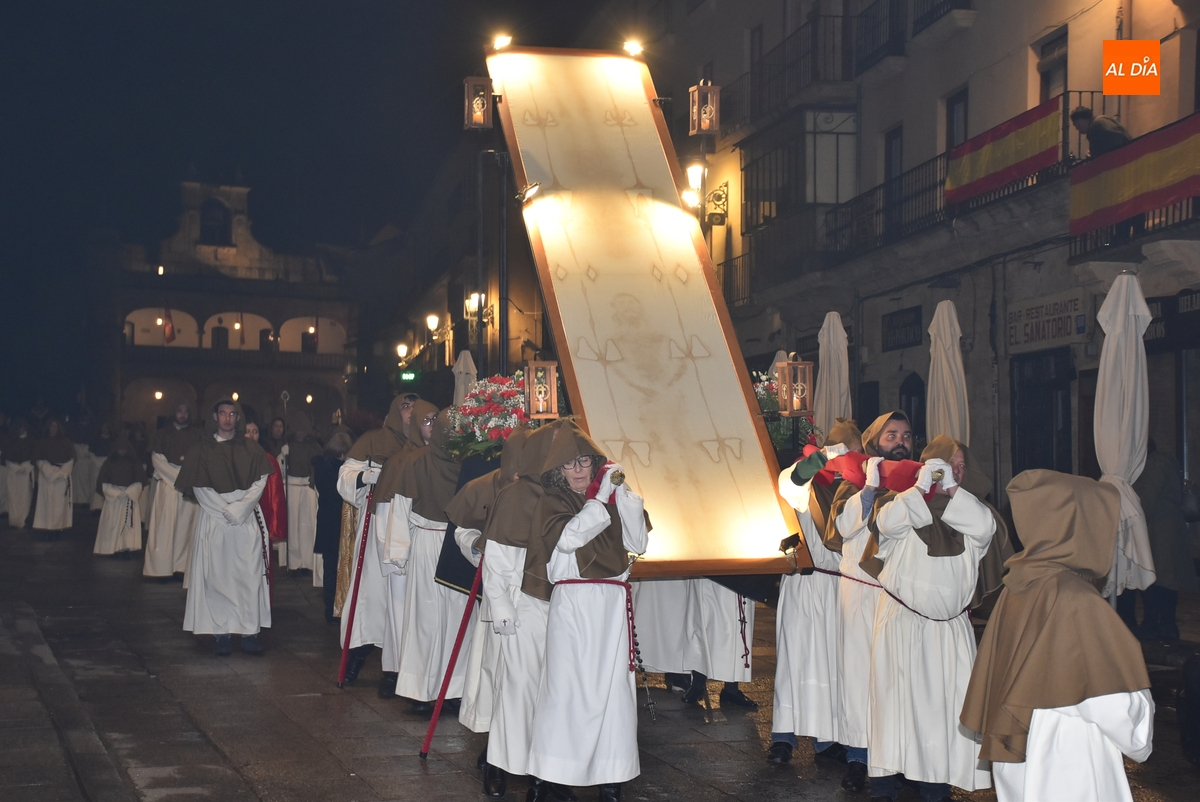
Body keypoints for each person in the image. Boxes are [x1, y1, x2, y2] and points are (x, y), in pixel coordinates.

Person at [962, 470, 1154, 802]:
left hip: (1022, 750)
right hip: (1068, 757)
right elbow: (1110, 704)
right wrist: (1140, 723)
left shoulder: (1020, 583)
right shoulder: (1076, 599)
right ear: (1079, 527)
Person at [862, 435, 1000, 800]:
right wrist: (918, 489)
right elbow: (887, 526)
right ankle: (884, 786)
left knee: (945, 712)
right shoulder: (901, 505)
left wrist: (953, 489)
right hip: (902, 626)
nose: (954, 469)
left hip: (948, 633)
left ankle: (935, 785)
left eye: (960, 465)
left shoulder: (972, 514)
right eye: (946, 463)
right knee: (895, 707)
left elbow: (986, 528)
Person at [525, 422, 649, 802]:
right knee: (567, 688)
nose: (578, 471)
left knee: (613, 691)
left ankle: (611, 774)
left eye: (584, 462)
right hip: (575, 603)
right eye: (569, 465)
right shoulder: (553, 501)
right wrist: (598, 500)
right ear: (557, 471)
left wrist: (622, 494)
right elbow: (568, 540)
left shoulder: (608, 497)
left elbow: (638, 542)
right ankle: (551, 775)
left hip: (611, 604)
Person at [824, 410, 913, 792]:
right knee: (861, 675)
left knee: (896, 678)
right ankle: (859, 757)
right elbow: (842, 528)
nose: (900, 441)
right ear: (876, 441)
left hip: (901, 596)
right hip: (861, 592)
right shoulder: (854, 481)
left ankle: (899, 757)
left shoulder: (916, 483)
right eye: (891, 434)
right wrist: (871, 489)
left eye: (907, 434)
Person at [768, 418, 863, 766]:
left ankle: (827, 738)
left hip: (844, 587)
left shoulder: (861, 488)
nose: (845, 462)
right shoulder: (808, 484)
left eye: (853, 454)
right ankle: (783, 737)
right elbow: (788, 482)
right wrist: (817, 461)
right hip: (806, 583)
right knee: (796, 659)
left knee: (835, 664)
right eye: (840, 453)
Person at [479, 424, 565, 801]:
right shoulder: (517, 495)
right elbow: (496, 558)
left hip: (561, 607)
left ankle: (544, 776)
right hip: (523, 606)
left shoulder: (566, 495)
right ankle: (498, 765)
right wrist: (500, 605)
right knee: (517, 691)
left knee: (555, 693)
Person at [443, 427, 528, 763]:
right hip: (499, 593)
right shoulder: (483, 487)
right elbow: (463, 531)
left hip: (542, 593)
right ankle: (496, 747)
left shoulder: (553, 492)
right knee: (496, 669)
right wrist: (477, 545)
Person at [376, 407, 467, 711]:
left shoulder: (468, 465)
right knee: (425, 620)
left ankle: (454, 689)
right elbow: (400, 509)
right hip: (427, 542)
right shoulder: (415, 463)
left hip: (458, 544)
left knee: (457, 620)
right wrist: (399, 553)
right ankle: (421, 691)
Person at [177, 398, 275, 656]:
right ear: (215, 417)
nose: (227, 419)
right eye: (222, 414)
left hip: (245, 519)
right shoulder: (202, 450)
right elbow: (200, 487)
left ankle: (249, 632)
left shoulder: (251, 449)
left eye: (232, 414)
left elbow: (260, 480)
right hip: (216, 519)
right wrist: (225, 511)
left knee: (247, 576)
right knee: (218, 577)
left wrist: (240, 508)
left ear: (238, 418)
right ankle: (221, 633)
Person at [336, 393, 422, 683]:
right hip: (377, 527)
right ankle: (355, 658)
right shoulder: (374, 440)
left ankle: (395, 669)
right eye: (405, 406)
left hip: (412, 528)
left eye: (415, 407)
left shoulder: (427, 444)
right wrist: (367, 475)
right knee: (371, 596)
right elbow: (345, 475)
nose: (411, 413)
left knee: (403, 601)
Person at [1123, 440, 1198, 640]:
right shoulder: (1162, 462)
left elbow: (1145, 500)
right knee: (1162, 581)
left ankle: (1159, 629)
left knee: (1160, 581)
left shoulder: (1155, 464)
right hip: (1162, 532)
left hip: (1159, 533)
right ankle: (1160, 628)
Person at [144, 401, 203, 580]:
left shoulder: (197, 435)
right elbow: (158, 460)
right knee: (164, 528)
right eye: (179, 411)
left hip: (188, 490)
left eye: (186, 411)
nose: (183, 414)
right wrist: (180, 477)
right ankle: (160, 568)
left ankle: (180, 567)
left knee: (184, 529)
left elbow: (200, 460)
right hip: (168, 487)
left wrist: (187, 478)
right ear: (174, 412)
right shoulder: (162, 434)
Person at [245, 420, 289, 597]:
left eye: (255, 431)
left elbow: (276, 495)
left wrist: (275, 526)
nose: (251, 435)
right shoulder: (232, 456)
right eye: (247, 431)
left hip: (261, 517)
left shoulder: (268, 459)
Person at [313, 431, 351, 623]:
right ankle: (332, 607)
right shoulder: (328, 467)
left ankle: (334, 606)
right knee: (333, 567)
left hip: (331, 519)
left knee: (334, 566)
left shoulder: (324, 465)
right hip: (333, 520)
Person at [93, 431, 147, 556]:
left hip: (129, 498)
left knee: (128, 525)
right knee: (112, 524)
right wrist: (116, 492)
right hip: (114, 499)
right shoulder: (109, 463)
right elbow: (103, 482)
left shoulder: (134, 462)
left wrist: (128, 492)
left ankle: (126, 546)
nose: (122, 451)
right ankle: (110, 547)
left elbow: (139, 481)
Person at [282, 412, 323, 576]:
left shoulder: (314, 447)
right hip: (292, 487)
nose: (300, 433)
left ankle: (307, 561)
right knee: (292, 526)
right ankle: (294, 562)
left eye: (303, 430)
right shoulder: (287, 446)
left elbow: (318, 467)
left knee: (307, 526)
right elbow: (281, 469)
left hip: (308, 488)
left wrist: (313, 483)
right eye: (297, 430)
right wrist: (283, 456)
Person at [33, 418, 75, 537]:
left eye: (56, 426)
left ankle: (58, 527)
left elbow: (72, 459)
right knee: (47, 503)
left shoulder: (66, 442)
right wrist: (50, 472)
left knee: (60, 505)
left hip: (62, 477)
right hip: (47, 476)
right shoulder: (42, 442)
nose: (53, 429)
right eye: (51, 426)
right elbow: (38, 459)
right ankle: (47, 527)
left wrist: (61, 472)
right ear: (48, 427)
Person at [5, 419, 36, 528]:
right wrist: (16, 468)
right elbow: (7, 459)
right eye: (18, 428)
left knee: (24, 497)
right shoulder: (12, 442)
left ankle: (22, 519)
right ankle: (13, 519)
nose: (20, 430)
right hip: (14, 474)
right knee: (13, 497)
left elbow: (34, 457)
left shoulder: (31, 441)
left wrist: (25, 467)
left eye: (22, 427)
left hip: (26, 473)